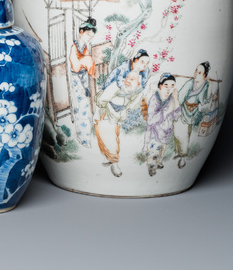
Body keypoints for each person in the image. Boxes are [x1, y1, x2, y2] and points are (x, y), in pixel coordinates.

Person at [93, 49, 150, 177]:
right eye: (142, 62)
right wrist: (98, 112)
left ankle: (112, 160)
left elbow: (133, 102)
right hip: (107, 110)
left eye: (146, 64)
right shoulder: (118, 83)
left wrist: (124, 107)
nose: (144, 66)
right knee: (105, 134)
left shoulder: (138, 88)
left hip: (117, 114)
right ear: (135, 60)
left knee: (112, 136)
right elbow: (102, 99)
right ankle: (111, 160)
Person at [175, 61, 215, 168]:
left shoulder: (205, 86)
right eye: (196, 71)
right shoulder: (190, 83)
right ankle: (178, 152)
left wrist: (210, 84)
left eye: (199, 72)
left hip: (194, 113)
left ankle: (183, 158)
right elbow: (180, 97)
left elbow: (205, 102)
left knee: (185, 136)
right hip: (183, 110)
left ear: (204, 75)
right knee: (178, 133)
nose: (196, 74)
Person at [142, 74, 181, 176]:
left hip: (166, 131)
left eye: (172, 86)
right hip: (155, 132)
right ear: (160, 86)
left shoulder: (172, 99)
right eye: (166, 85)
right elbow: (150, 120)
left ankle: (158, 163)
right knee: (153, 152)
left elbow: (177, 116)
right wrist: (166, 111)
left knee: (162, 151)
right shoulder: (155, 99)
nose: (169, 89)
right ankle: (151, 170)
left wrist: (176, 99)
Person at [67, 18, 97, 147]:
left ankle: (86, 138)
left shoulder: (85, 48)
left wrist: (87, 61)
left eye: (91, 36)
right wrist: (86, 61)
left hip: (84, 81)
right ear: (81, 32)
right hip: (76, 81)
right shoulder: (74, 47)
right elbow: (75, 66)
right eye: (88, 34)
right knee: (80, 109)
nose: (89, 38)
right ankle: (83, 139)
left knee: (86, 110)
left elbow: (90, 65)